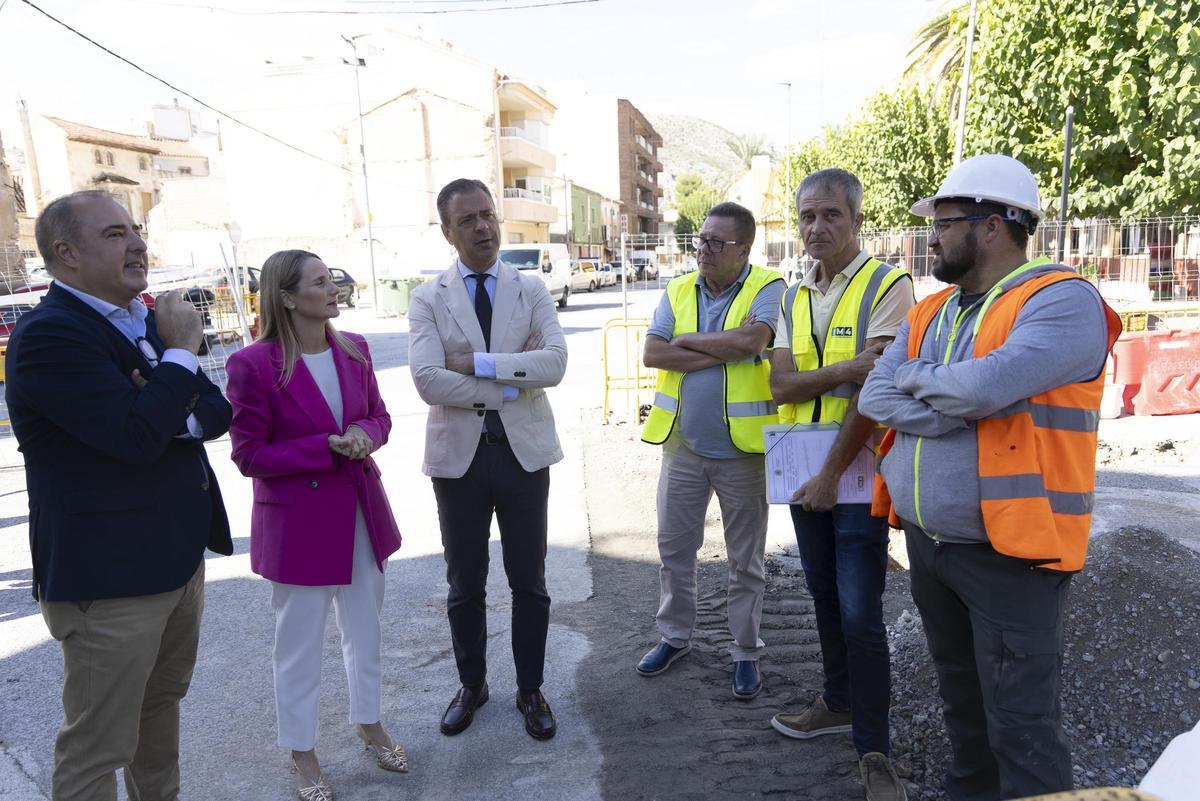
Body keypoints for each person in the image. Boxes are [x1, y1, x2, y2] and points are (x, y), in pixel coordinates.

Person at [860, 154, 1122, 801]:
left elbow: (988, 386)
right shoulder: (934, 310)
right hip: (932, 544)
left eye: (945, 223)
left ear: (993, 225)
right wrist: (958, 403)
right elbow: (874, 394)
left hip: (1013, 554)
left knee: (1022, 728)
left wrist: (927, 383)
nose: (932, 237)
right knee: (964, 713)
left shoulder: (1062, 301)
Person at [5, 190, 232, 801]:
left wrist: (163, 397)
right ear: (66, 254)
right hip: (108, 582)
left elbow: (215, 413)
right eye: (113, 234)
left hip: (176, 564)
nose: (137, 242)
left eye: (135, 229)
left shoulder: (142, 320)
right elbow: (135, 437)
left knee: (159, 718)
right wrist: (179, 357)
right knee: (97, 747)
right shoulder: (52, 336)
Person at [225, 250, 404, 801]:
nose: (334, 289)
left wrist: (364, 435)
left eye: (333, 280)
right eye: (321, 282)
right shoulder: (254, 364)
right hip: (298, 524)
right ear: (287, 296)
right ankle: (302, 752)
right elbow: (249, 454)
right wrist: (323, 448)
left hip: (359, 510)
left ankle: (367, 721)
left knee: (365, 629)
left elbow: (380, 416)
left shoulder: (356, 349)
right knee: (298, 643)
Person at [768, 169, 913, 801]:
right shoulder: (794, 294)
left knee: (861, 614)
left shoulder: (888, 284)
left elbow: (875, 391)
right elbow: (779, 385)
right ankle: (836, 701)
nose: (816, 227)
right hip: (805, 475)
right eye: (806, 217)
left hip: (854, 479)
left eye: (830, 215)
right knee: (823, 594)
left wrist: (831, 474)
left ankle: (873, 750)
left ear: (856, 219)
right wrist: (847, 368)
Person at [408, 178, 568, 741]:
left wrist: (474, 362)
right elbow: (429, 381)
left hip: (524, 456)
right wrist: (506, 380)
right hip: (461, 462)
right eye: (468, 220)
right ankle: (472, 684)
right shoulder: (428, 297)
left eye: (488, 215)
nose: (483, 227)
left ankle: (531, 688)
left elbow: (554, 364)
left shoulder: (531, 289)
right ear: (447, 231)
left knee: (530, 581)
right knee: (465, 583)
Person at [637, 202, 785, 699]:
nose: (703, 250)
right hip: (682, 448)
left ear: (745, 248)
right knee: (675, 550)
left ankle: (745, 651)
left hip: (742, 454)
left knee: (745, 561)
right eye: (700, 239)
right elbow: (653, 352)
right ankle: (675, 636)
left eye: (717, 243)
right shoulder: (678, 288)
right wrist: (722, 345)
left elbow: (753, 341)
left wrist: (690, 340)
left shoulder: (768, 287)